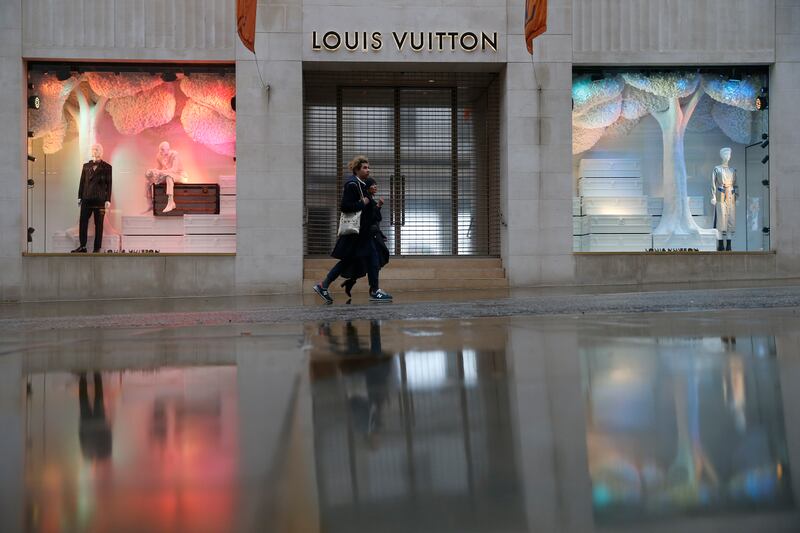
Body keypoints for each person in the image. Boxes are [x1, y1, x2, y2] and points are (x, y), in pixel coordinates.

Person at [313, 155, 393, 303]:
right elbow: (345, 206)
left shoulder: (361, 185)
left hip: (364, 233)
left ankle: (323, 285)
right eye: (364, 167)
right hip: (358, 234)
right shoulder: (352, 185)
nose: (368, 170)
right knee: (367, 260)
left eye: (368, 167)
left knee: (364, 260)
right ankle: (374, 291)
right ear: (357, 169)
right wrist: (362, 203)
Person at [339, 177, 390, 302]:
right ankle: (374, 289)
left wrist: (380, 233)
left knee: (369, 263)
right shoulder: (366, 201)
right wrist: (378, 206)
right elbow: (371, 219)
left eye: (376, 185)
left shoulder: (370, 200)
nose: (375, 187)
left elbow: (376, 220)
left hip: (373, 235)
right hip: (368, 236)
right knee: (371, 262)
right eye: (373, 185)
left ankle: (358, 283)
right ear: (367, 187)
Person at [71, 143, 112, 253]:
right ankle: (82, 246)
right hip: (86, 198)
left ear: (101, 151)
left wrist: (108, 199)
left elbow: (109, 184)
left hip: (100, 200)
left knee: (99, 224)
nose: (95, 151)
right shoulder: (86, 166)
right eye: (93, 149)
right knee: (83, 222)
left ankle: (97, 248)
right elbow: (82, 182)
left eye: (97, 149)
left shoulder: (107, 167)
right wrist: (79, 196)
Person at [144, 141, 188, 213]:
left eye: (163, 150)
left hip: (180, 175)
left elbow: (174, 170)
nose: (161, 152)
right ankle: (150, 203)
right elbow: (159, 167)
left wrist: (160, 172)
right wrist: (153, 171)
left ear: (168, 149)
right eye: (161, 150)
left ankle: (171, 202)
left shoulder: (175, 155)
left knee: (169, 177)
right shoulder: (159, 156)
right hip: (167, 174)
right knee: (149, 180)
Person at [711, 147, 737, 251]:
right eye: (726, 154)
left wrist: (737, 197)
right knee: (721, 219)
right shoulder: (717, 169)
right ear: (722, 156)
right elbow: (713, 183)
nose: (728, 157)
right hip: (720, 194)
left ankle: (729, 244)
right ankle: (721, 244)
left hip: (731, 195)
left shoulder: (732, 170)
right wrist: (713, 196)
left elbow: (736, 184)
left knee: (731, 219)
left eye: (729, 155)